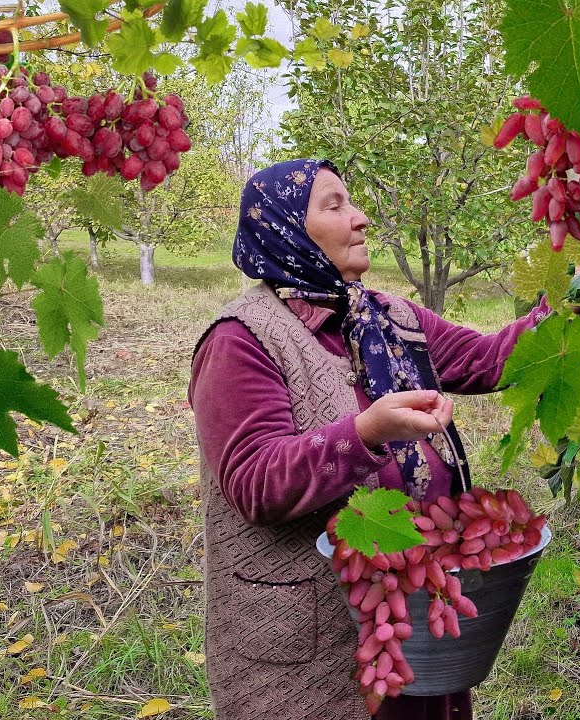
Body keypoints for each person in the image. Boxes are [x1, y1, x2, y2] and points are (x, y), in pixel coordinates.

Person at [188, 159, 549, 720]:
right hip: (310, 639)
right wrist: (367, 434)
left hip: (415, 617)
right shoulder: (242, 340)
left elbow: (490, 359)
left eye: (351, 203)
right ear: (284, 227)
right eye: (334, 205)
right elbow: (255, 482)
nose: (359, 220)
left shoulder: (386, 317)